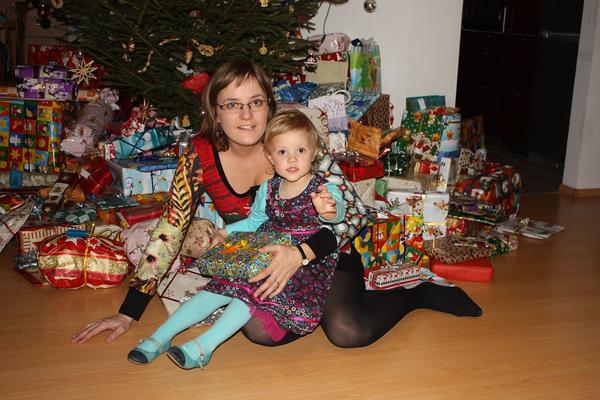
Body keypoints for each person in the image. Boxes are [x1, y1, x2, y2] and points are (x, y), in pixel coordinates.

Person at [73, 59, 481, 349]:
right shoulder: (199, 154)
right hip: (261, 260)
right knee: (259, 334)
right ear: (215, 111)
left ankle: (417, 292)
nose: (247, 115)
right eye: (232, 104)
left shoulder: (293, 138)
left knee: (348, 332)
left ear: (270, 105)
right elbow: (171, 227)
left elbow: (354, 213)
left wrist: (300, 254)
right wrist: (130, 310)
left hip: (325, 250)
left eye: (256, 102)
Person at [127, 110, 345, 369]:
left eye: (300, 150)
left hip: (303, 262)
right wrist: (225, 232)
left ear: (315, 152)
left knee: (248, 292)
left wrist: (327, 210)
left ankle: (204, 346)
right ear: (270, 156)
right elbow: (254, 222)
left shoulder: (323, 188)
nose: (292, 159)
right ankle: (160, 336)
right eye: (282, 152)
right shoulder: (269, 188)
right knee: (216, 288)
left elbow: (337, 216)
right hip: (265, 250)